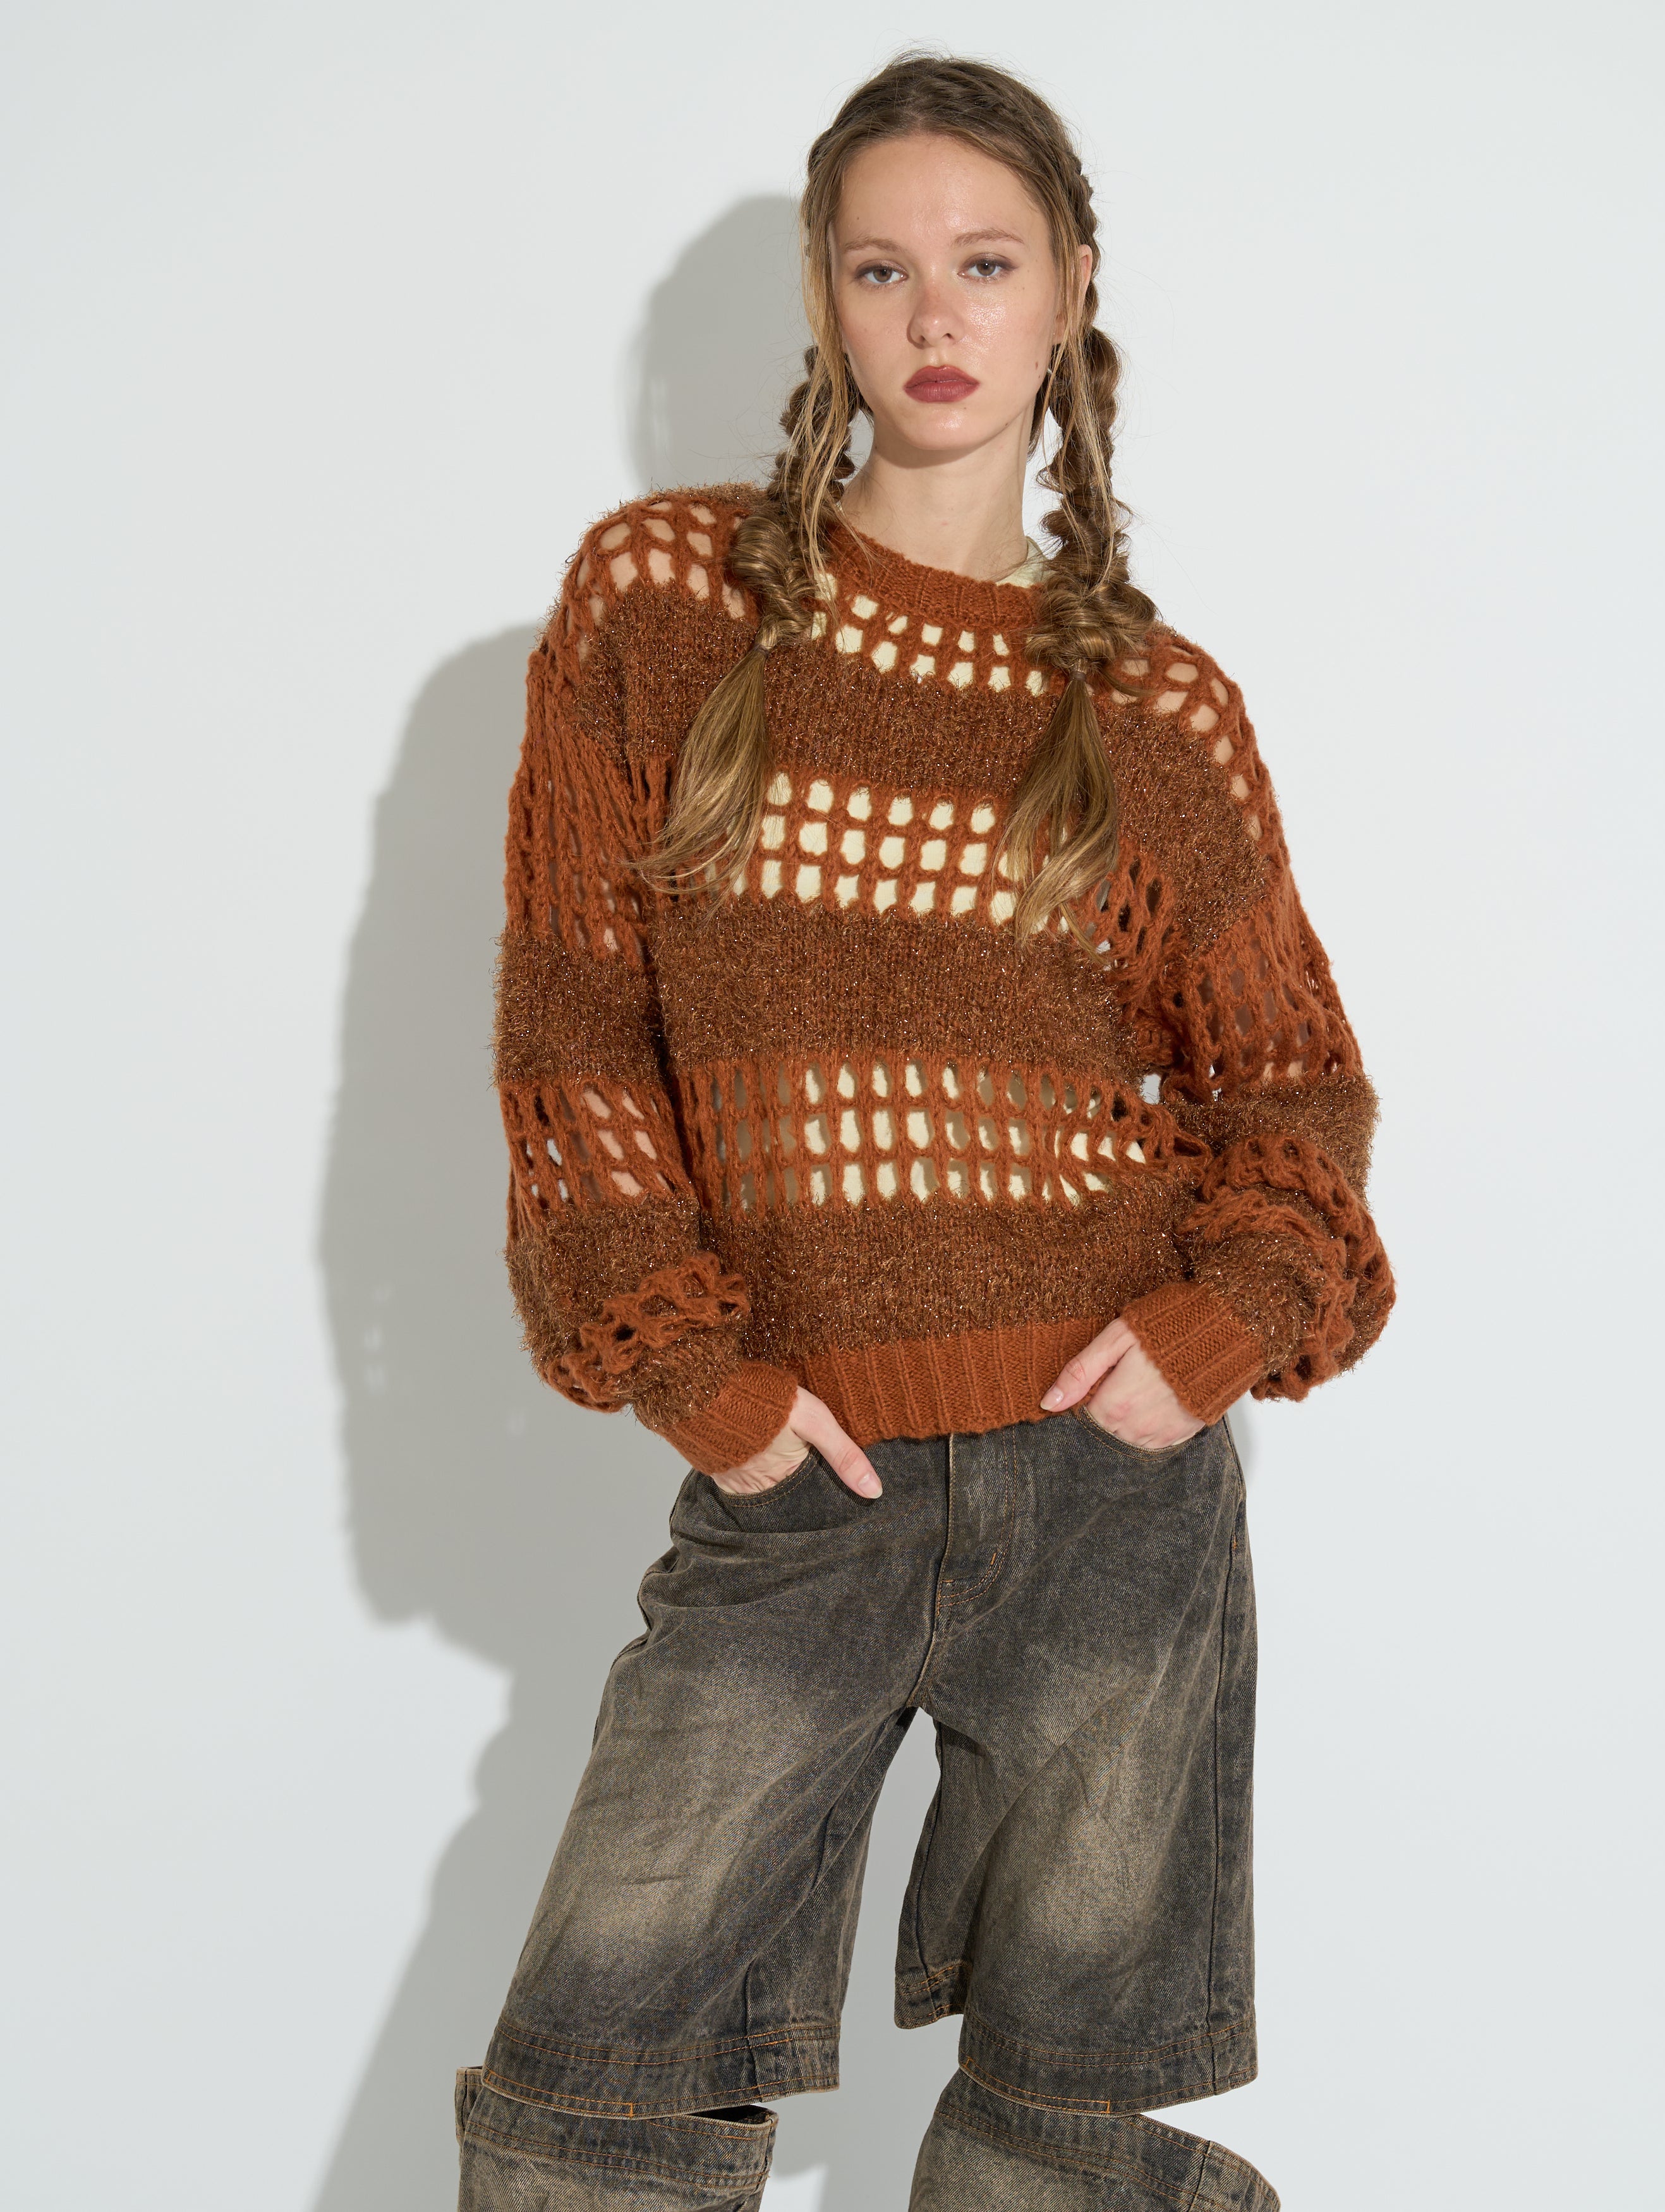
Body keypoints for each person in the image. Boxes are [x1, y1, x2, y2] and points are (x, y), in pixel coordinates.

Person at [456, 49, 1393, 2212]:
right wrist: (695, 1372)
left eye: (986, 263)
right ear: (828, 300)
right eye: (883, 269)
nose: (937, 315)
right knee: (589, 2121)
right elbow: (575, 1030)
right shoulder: (665, 606)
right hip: (803, 1480)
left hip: (1110, 1495)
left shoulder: (1155, 711)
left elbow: (1295, 1088)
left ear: (1071, 292)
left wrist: (1221, 1323)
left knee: (1056, 2148)